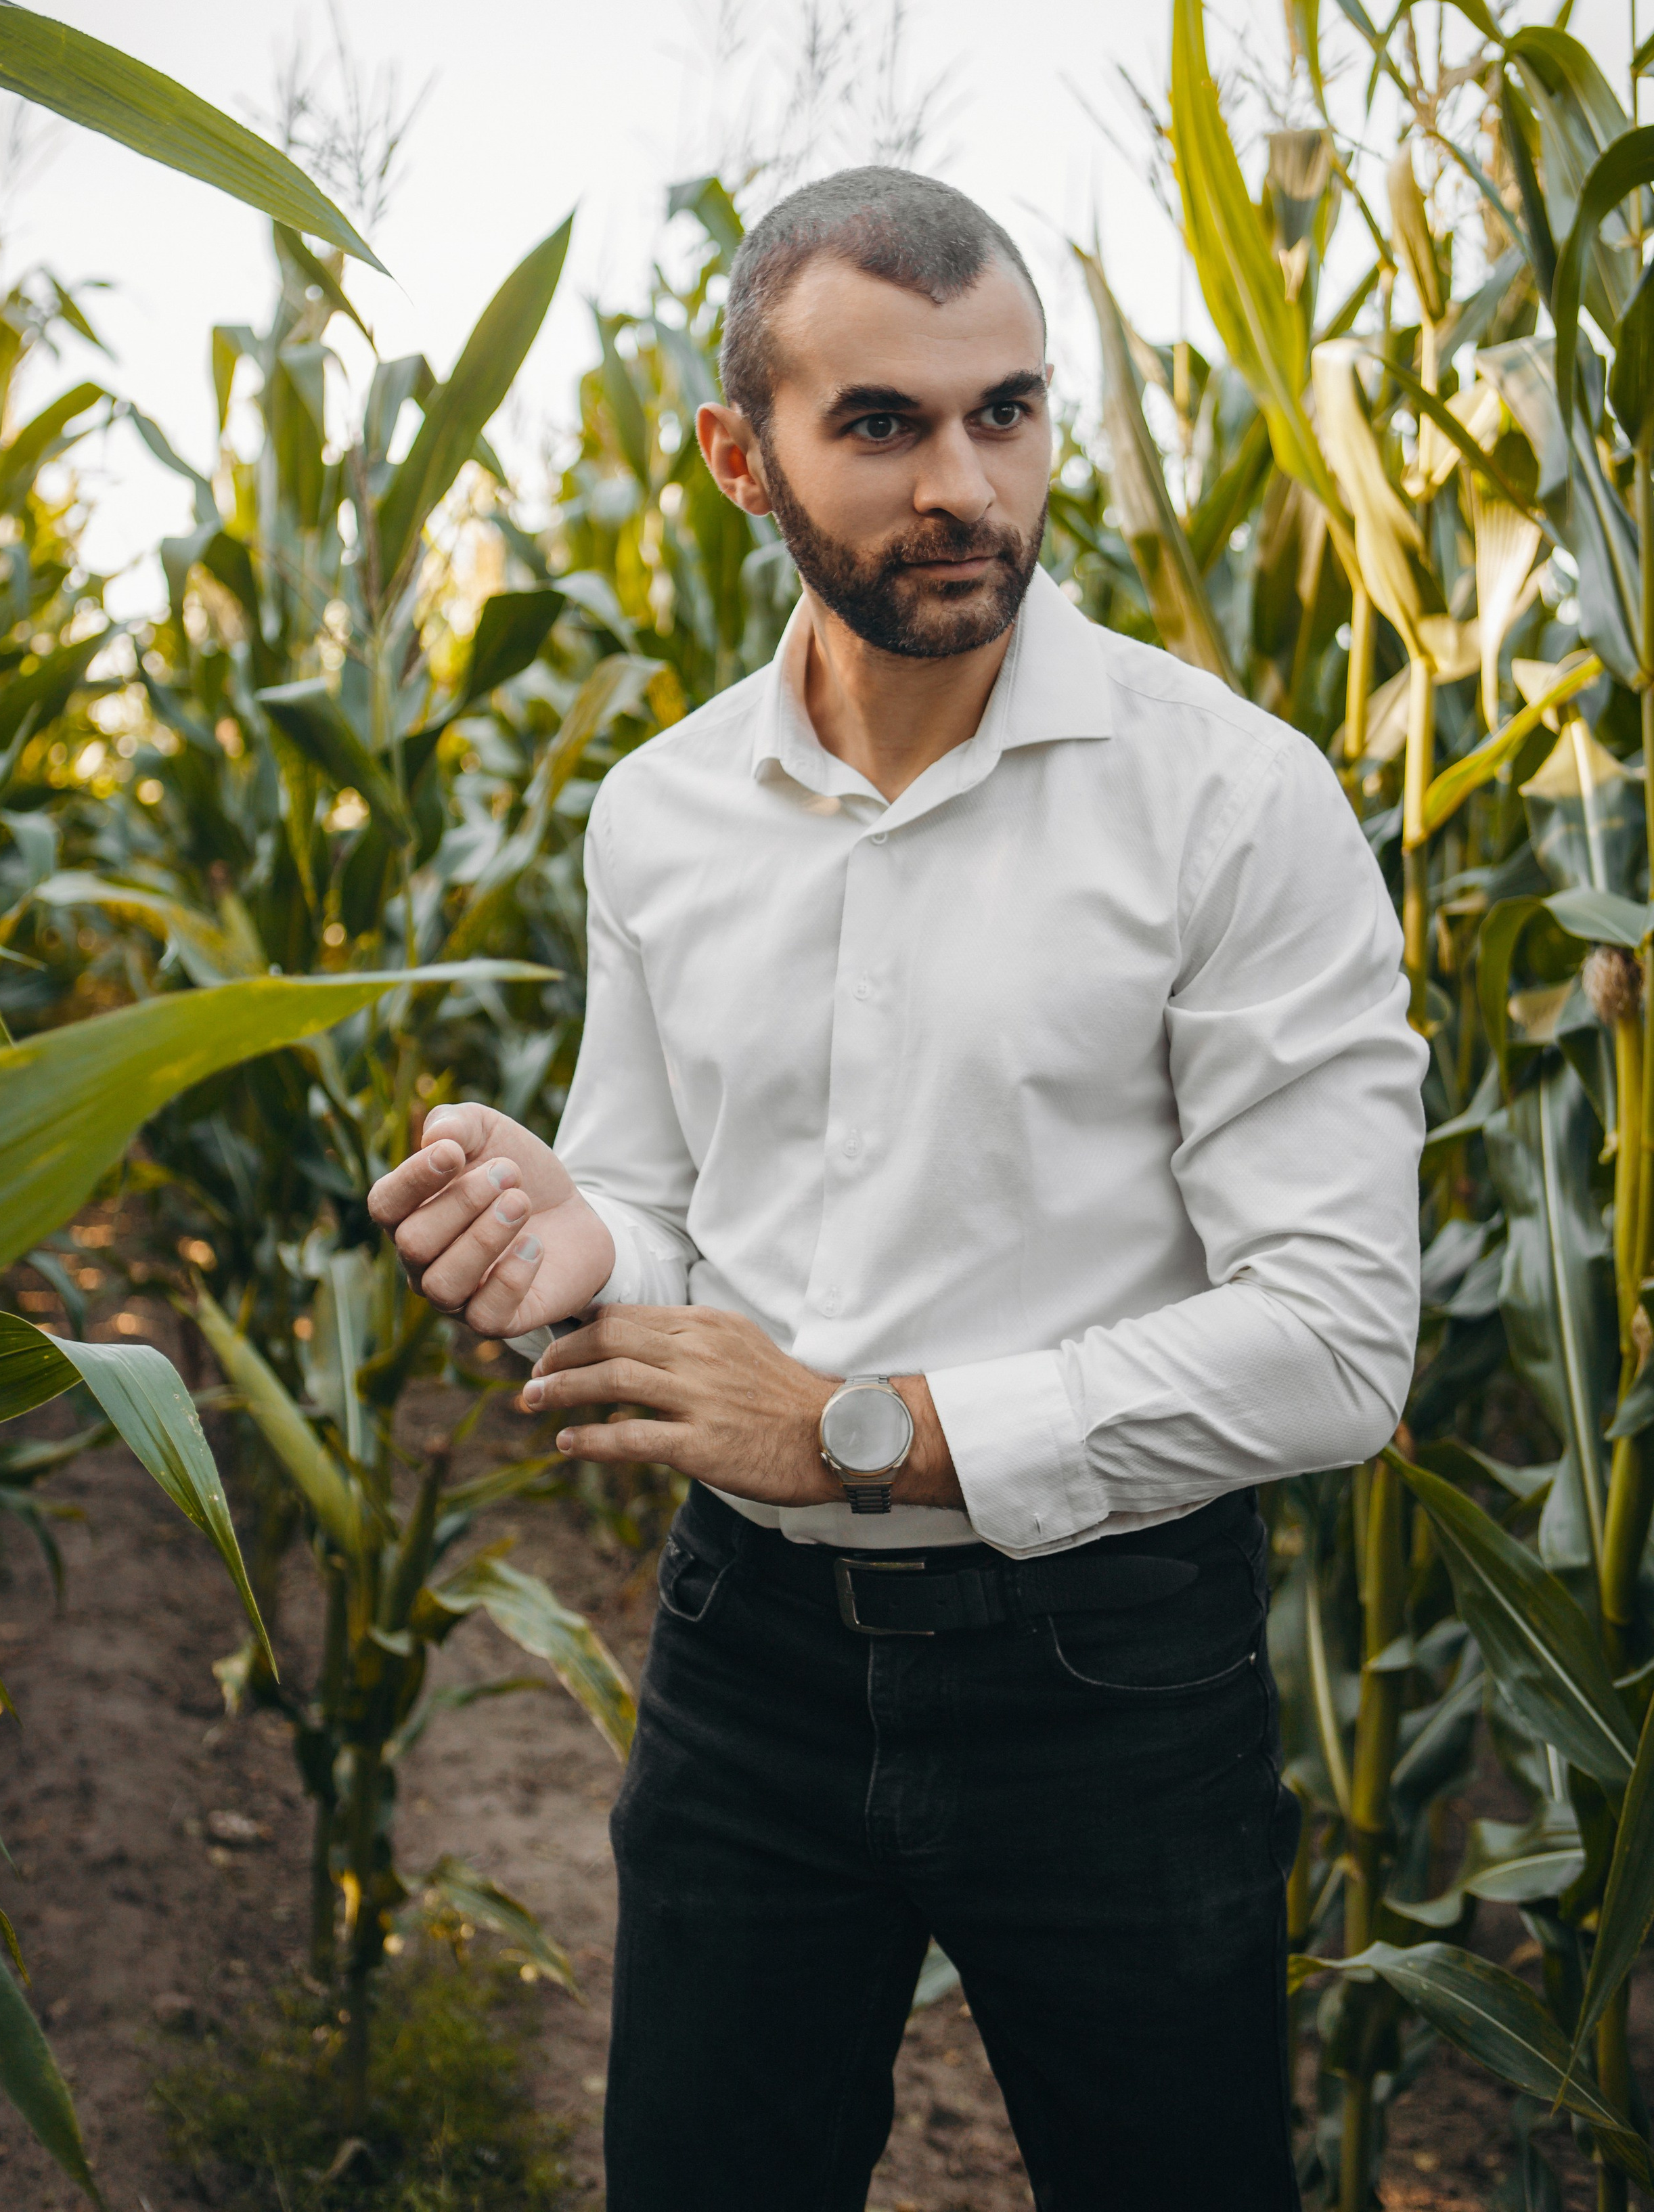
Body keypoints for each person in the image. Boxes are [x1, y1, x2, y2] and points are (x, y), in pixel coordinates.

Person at [367, 167, 1426, 2212]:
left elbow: (1334, 1348)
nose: (967, 484)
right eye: (883, 426)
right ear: (734, 456)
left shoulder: (1230, 803)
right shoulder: (660, 813)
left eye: (1006, 412)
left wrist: (862, 1430)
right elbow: (668, 1213)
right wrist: (583, 1242)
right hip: (744, 1665)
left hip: (1108, 1676)